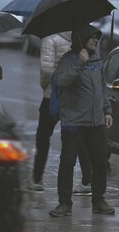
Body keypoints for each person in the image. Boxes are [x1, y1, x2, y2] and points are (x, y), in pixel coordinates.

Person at [49, 24, 114, 217]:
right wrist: (79, 62)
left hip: (96, 122)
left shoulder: (97, 61)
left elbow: (102, 88)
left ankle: (99, 200)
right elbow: (61, 81)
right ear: (81, 39)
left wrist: (107, 110)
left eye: (97, 37)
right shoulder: (68, 60)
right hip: (74, 122)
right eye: (92, 37)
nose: (95, 40)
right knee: (67, 163)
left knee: (100, 162)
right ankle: (64, 203)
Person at [27, 31, 93, 193]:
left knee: (43, 137)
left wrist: (46, 87)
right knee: (79, 138)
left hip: (52, 97)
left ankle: (37, 179)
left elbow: (46, 70)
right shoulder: (78, 38)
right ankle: (87, 181)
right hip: (73, 97)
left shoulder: (50, 39)